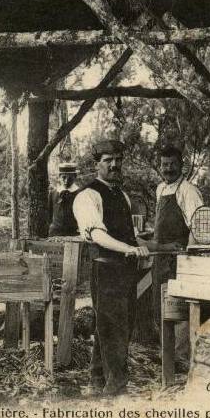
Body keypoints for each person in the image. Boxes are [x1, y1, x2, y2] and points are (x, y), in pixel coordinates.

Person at [72, 139, 152, 396]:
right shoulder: (88, 195)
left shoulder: (123, 196)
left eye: (118, 159)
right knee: (113, 328)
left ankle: (97, 381)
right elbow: (97, 234)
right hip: (105, 269)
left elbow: (130, 236)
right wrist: (129, 249)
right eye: (108, 160)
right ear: (97, 164)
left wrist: (151, 244)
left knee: (115, 326)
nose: (115, 165)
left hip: (126, 270)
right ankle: (117, 389)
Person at [147, 145, 204, 366]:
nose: (168, 169)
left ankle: (181, 359)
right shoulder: (161, 188)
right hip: (160, 257)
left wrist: (189, 259)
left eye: (172, 164)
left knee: (179, 309)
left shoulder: (188, 191)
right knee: (161, 306)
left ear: (181, 165)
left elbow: (199, 227)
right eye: (164, 165)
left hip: (180, 258)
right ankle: (167, 356)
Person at [46, 162, 81, 237]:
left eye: (70, 178)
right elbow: (49, 214)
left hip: (74, 234)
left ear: (75, 176)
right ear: (59, 177)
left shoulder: (80, 194)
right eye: (64, 177)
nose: (66, 181)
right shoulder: (53, 193)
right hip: (55, 233)